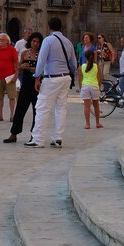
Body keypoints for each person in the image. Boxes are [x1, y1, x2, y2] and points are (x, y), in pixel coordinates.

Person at [26, 17, 77, 148]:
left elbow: (41, 60)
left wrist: (37, 77)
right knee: (61, 108)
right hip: (65, 77)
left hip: (52, 78)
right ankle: (58, 138)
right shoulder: (68, 42)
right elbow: (73, 63)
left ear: (49, 27)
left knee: (42, 107)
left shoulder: (48, 40)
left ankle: (38, 139)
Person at [5, 31, 41, 143]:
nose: (35, 43)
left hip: (37, 85)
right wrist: (22, 66)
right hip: (26, 84)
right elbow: (18, 67)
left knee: (37, 111)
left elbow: (45, 68)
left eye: (38, 42)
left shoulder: (41, 54)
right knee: (20, 109)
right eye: (34, 41)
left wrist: (36, 70)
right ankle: (13, 133)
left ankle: (34, 135)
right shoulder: (25, 53)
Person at [0, 32, 19, 122]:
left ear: (7, 41)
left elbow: (16, 63)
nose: (0, 41)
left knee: (12, 96)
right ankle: (0, 115)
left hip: (10, 77)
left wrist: (16, 75)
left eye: (2, 39)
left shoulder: (12, 49)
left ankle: (12, 115)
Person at [80, 48, 104, 129]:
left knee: (87, 106)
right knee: (96, 106)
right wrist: (98, 85)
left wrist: (81, 88)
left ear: (85, 57)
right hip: (94, 86)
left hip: (85, 86)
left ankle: (87, 124)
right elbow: (100, 77)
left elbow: (80, 79)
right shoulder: (96, 66)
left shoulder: (82, 67)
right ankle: (97, 123)